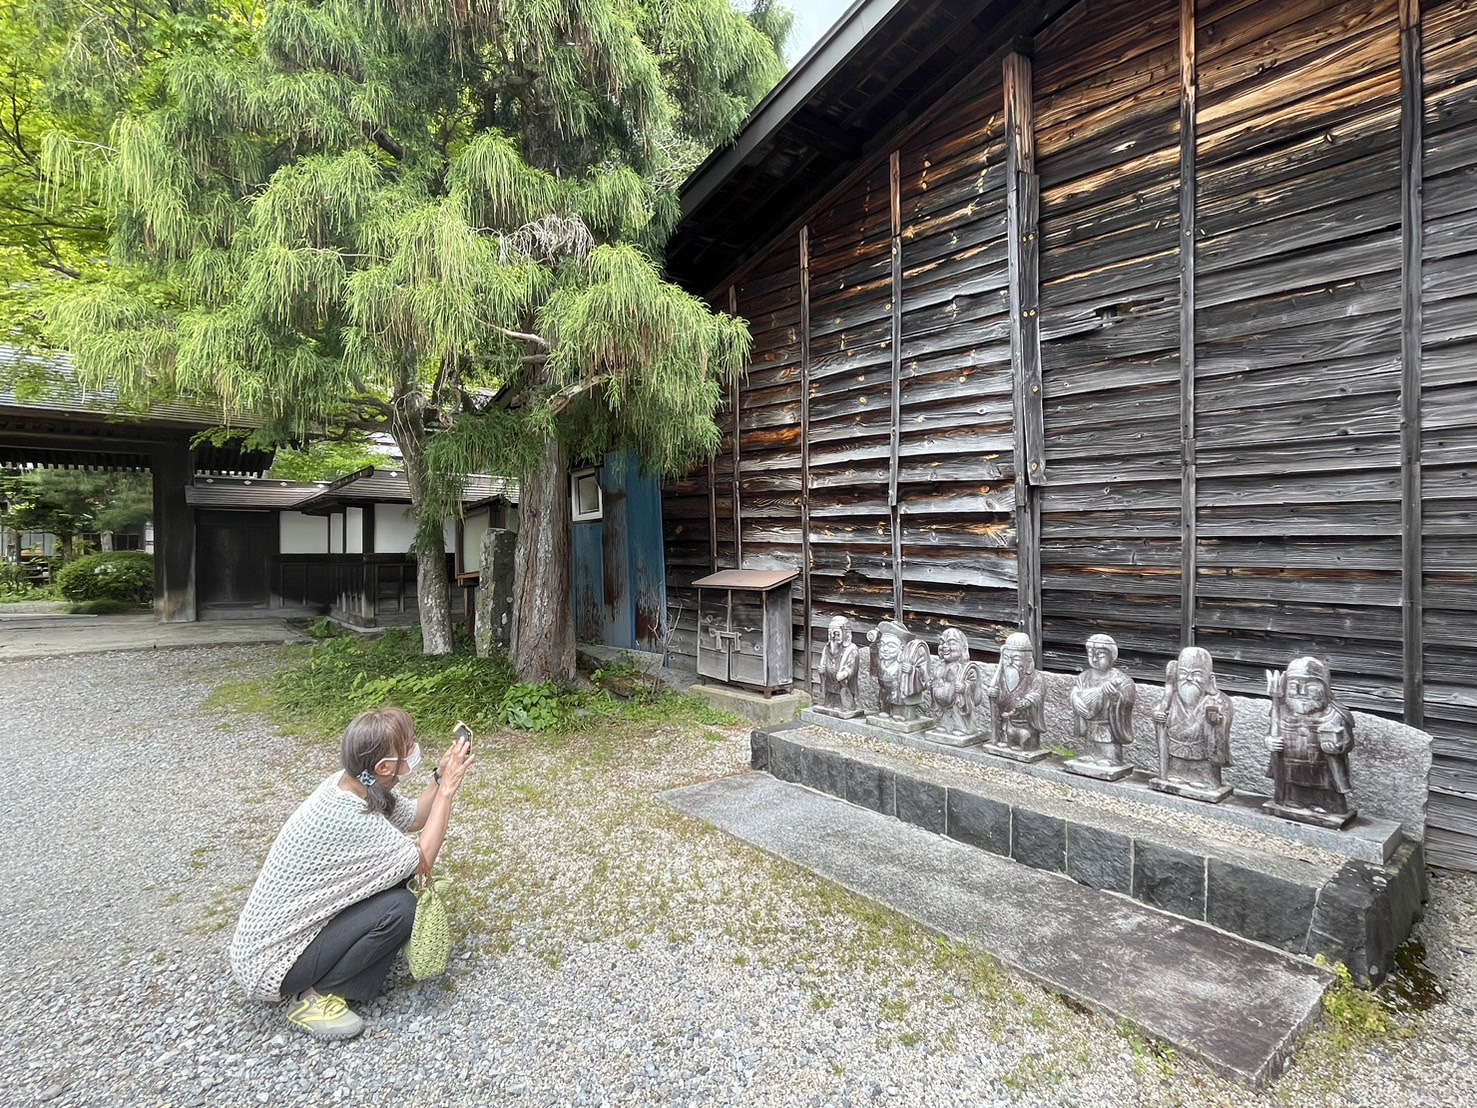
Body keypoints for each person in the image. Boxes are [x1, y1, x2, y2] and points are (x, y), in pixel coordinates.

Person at [229, 707, 475, 1041]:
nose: (415, 748)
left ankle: (338, 970)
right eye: (409, 746)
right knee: (404, 907)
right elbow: (422, 861)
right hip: (271, 963)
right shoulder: (348, 814)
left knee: (397, 883)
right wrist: (447, 792)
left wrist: (439, 778)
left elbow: (415, 817)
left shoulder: (353, 784)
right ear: (384, 767)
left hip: (274, 943)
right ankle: (316, 996)